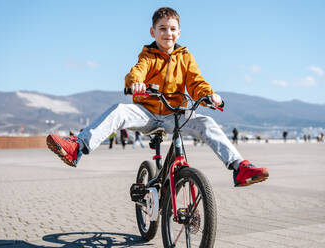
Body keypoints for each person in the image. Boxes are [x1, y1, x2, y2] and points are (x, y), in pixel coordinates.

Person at [46, 7, 269, 187]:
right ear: (153, 32)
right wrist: (135, 83)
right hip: (148, 113)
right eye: (162, 28)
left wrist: (209, 95)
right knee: (119, 110)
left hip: (175, 114)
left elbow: (196, 81)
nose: (168, 33)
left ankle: (240, 168)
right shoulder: (148, 55)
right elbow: (137, 71)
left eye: (172, 29)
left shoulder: (185, 57)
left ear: (179, 32)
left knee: (207, 123)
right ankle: (77, 147)